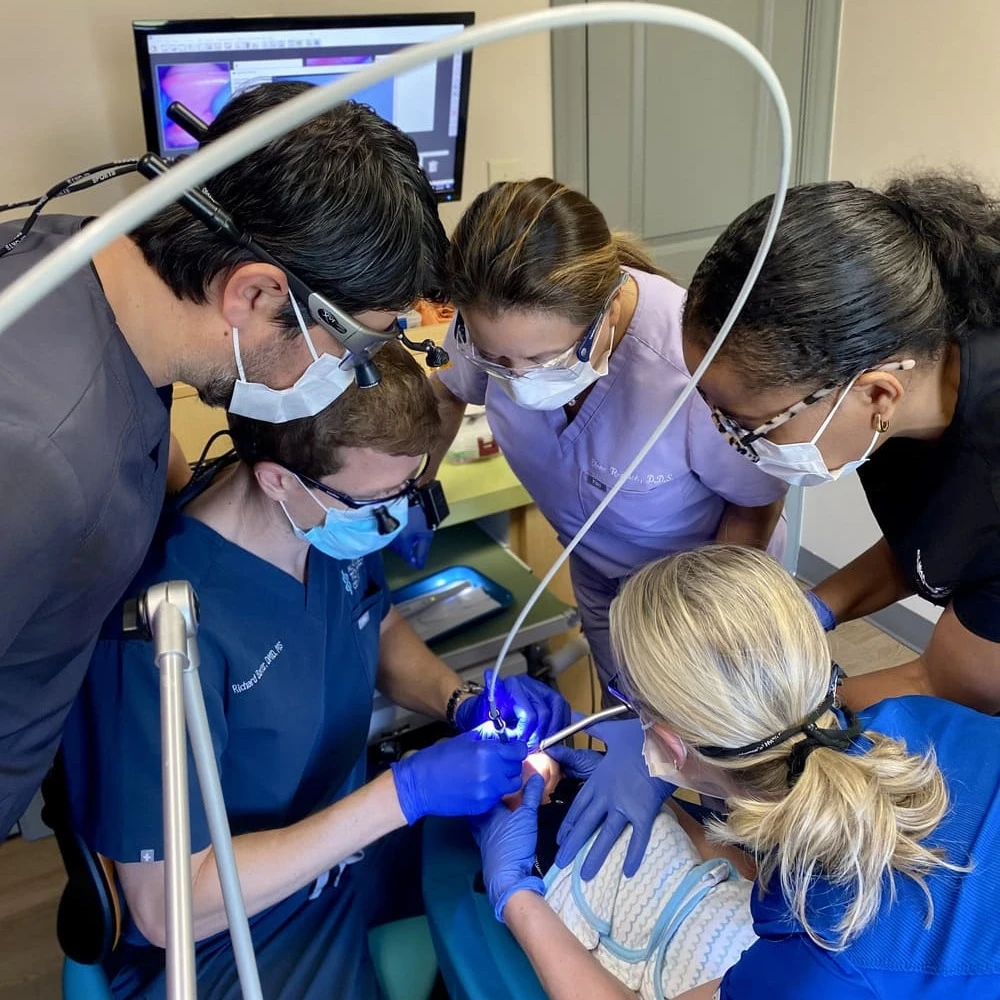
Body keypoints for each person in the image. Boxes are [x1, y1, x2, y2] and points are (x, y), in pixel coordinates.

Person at [0, 80, 449, 835]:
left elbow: (129, 445)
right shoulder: (39, 460)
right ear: (253, 293)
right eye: (353, 347)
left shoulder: (89, 279)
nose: (339, 376)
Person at [60, 342, 569, 999]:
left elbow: (373, 623)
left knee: (539, 862)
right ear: (277, 478)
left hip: (350, 852)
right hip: (235, 929)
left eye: (406, 490)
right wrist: (402, 795)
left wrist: (461, 701)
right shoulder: (162, 631)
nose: (393, 516)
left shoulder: (327, 523)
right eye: (378, 501)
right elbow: (164, 909)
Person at [429, 177, 788, 882]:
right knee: (632, 767)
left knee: (729, 788)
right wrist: (413, 488)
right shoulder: (491, 328)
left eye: (542, 361)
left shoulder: (691, 368)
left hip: (708, 608)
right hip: (604, 581)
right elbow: (446, 391)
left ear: (602, 316)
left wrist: (686, 668)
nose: (515, 376)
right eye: (500, 362)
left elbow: (753, 505)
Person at [476, 545, 1000, 998]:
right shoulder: (929, 719)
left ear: (668, 743)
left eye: (626, 700)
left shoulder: (823, 956)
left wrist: (516, 895)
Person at [682, 173, 1000, 715]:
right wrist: (816, 608)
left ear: (877, 394)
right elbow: (935, 543)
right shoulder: (914, 361)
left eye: (751, 424)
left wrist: (728, 725)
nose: (729, 438)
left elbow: (943, 684)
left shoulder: (987, 471)